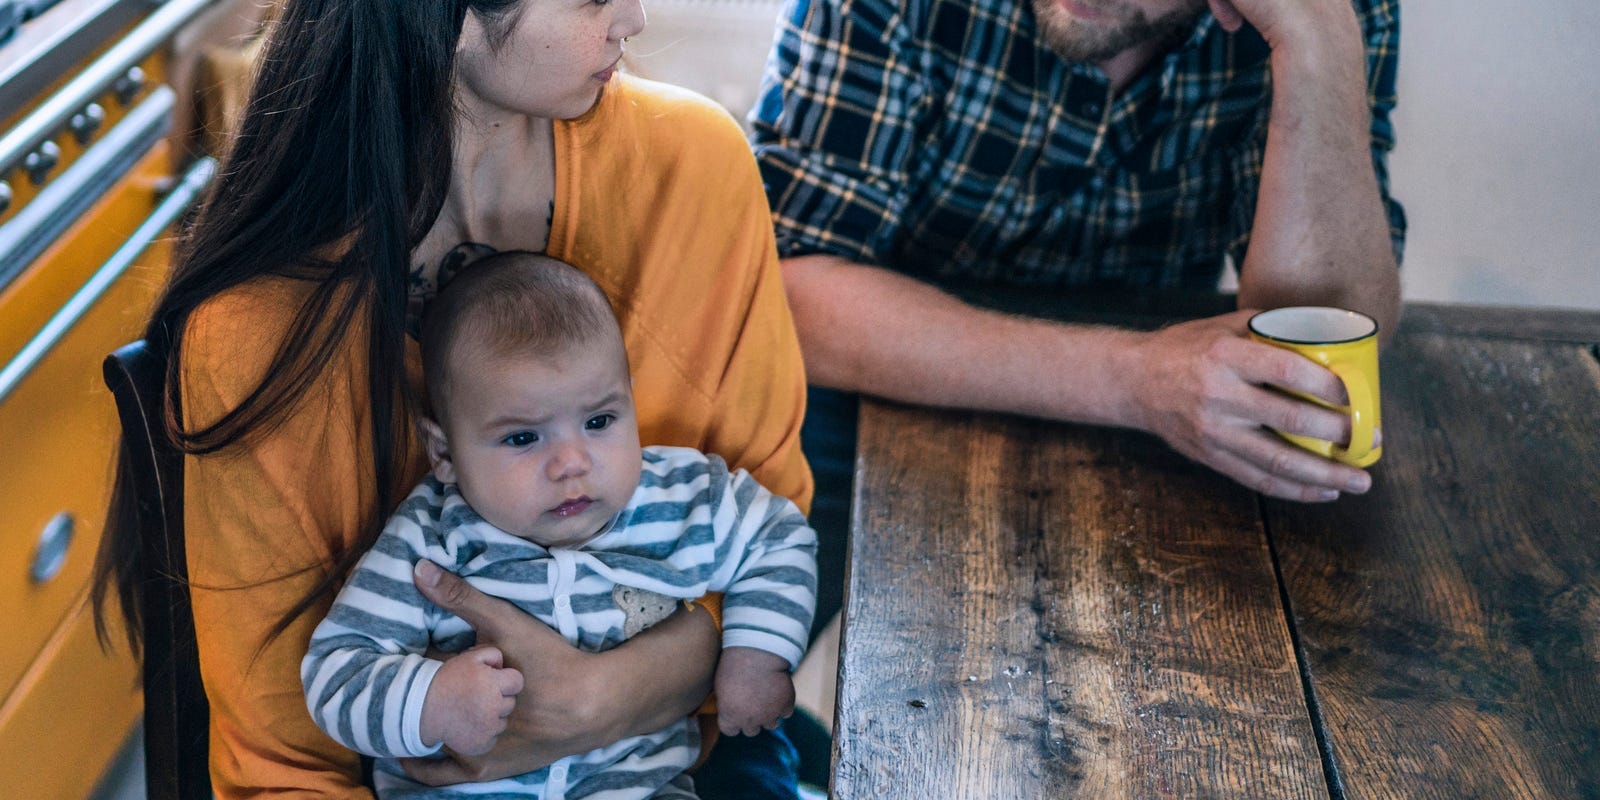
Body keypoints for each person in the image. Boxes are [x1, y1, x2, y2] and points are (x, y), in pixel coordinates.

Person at [91, 0, 815, 796]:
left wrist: (592, 699)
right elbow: (287, 764)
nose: (633, 19)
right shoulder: (250, 340)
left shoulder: (696, 167)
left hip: (694, 760)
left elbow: (768, 552)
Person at [750, 0, 1405, 639]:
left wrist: (1320, 44)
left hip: (1162, 432)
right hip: (870, 387)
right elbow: (793, 295)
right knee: (726, 678)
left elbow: (1329, 335)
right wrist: (1133, 379)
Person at [302, 252, 817, 799]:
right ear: (444, 453)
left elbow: (779, 537)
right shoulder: (431, 540)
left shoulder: (681, 496)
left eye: (599, 421)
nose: (573, 461)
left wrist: (756, 656)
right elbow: (335, 674)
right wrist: (432, 700)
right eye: (524, 438)